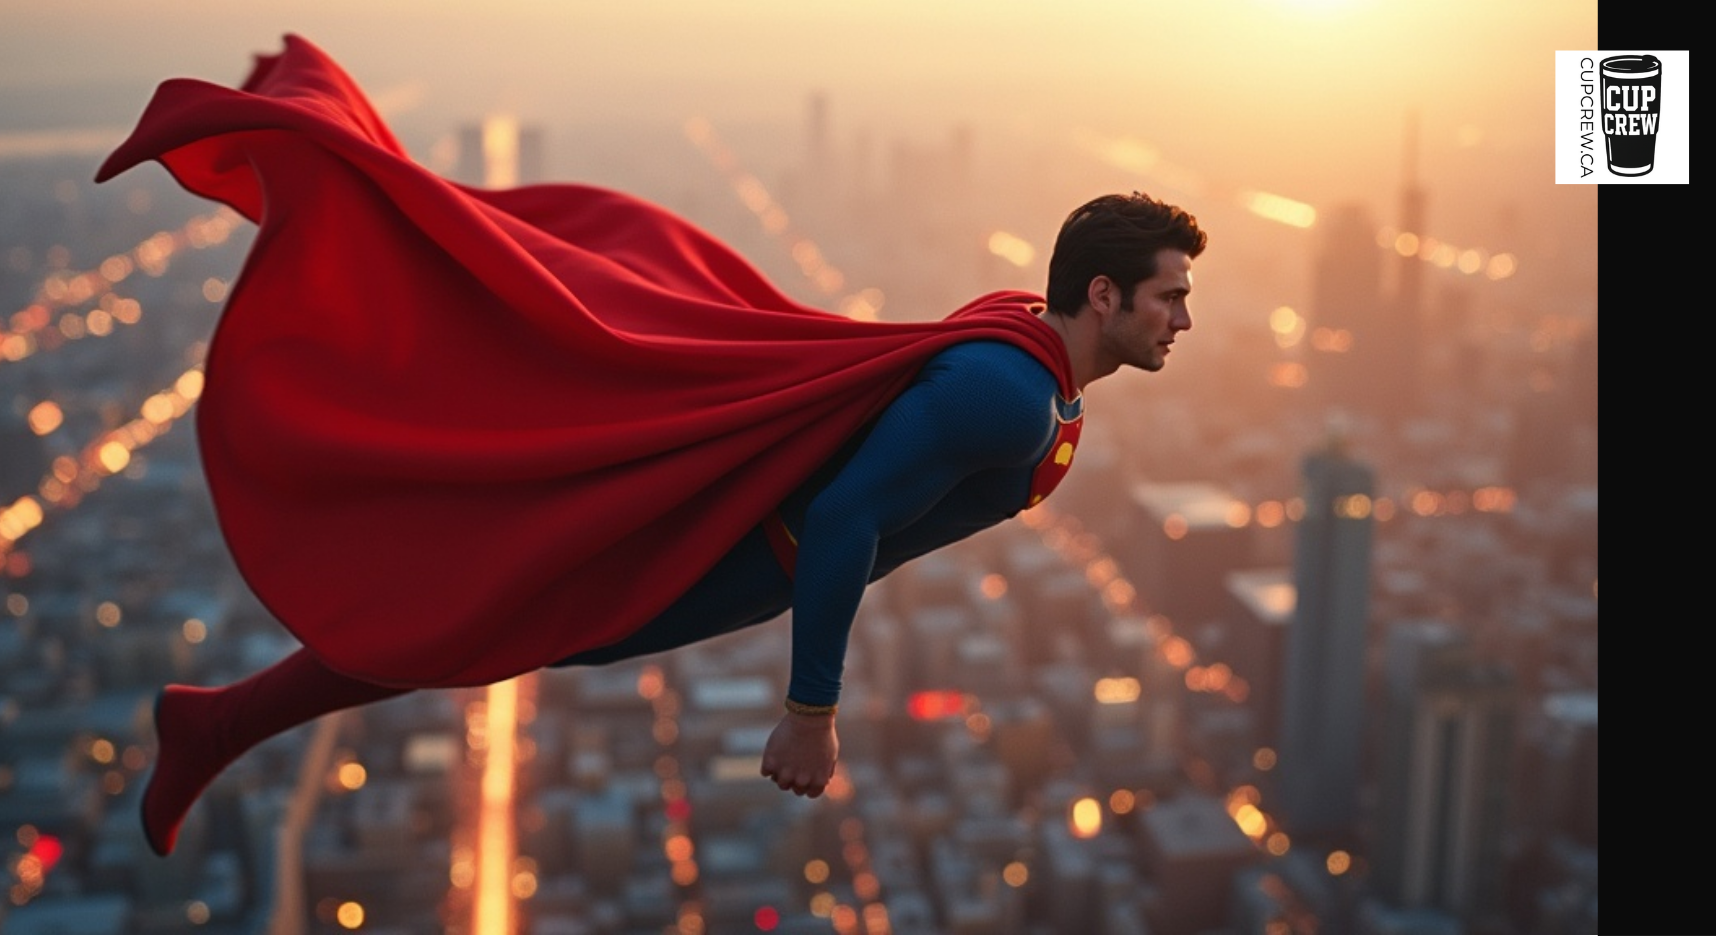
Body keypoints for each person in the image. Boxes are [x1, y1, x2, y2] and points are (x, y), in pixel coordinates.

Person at [98, 36, 1206, 856]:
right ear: (1101, 293)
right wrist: (810, 711)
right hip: (727, 550)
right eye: (1168, 297)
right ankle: (219, 722)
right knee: (486, 609)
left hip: (735, 528)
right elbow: (846, 518)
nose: (1183, 322)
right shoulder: (1009, 395)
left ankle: (219, 720)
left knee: (488, 605)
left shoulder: (1027, 344)